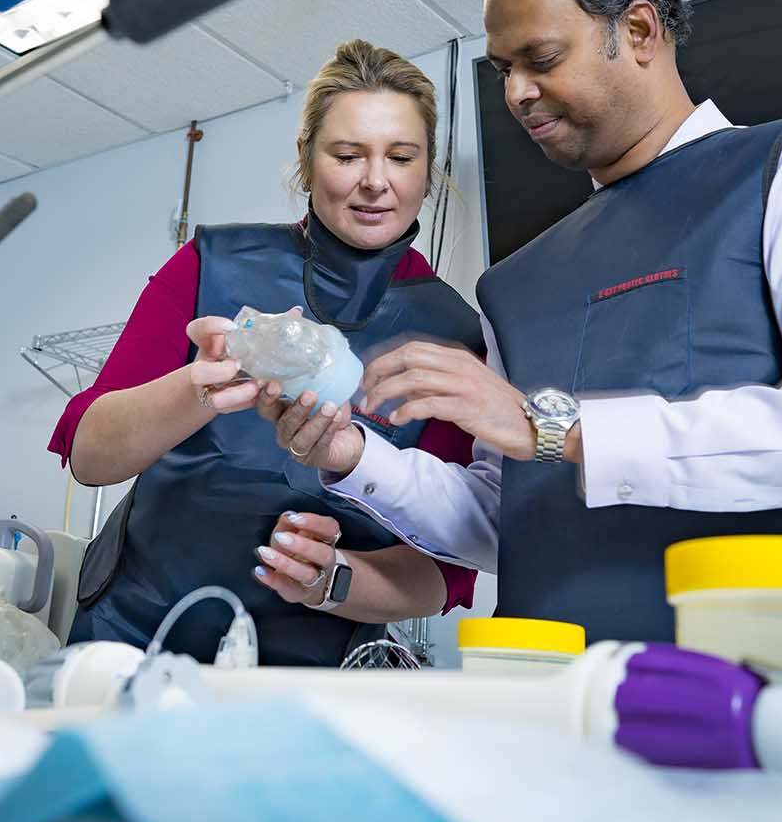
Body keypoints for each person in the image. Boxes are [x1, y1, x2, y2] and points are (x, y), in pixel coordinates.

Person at [263, 0, 782, 644]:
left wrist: (561, 428)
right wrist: (353, 456)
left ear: (641, 31)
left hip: (745, 697)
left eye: (541, 60)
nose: (516, 93)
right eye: (503, 70)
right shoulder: (513, 284)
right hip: (546, 697)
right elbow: (506, 518)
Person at [51, 39, 484, 665]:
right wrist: (198, 388)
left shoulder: (454, 332)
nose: (375, 180)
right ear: (306, 161)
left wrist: (331, 579)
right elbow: (90, 456)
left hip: (305, 674)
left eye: (401, 156)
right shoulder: (211, 265)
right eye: (346, 154)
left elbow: (446, 570)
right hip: (133, 638)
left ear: (427, 169)